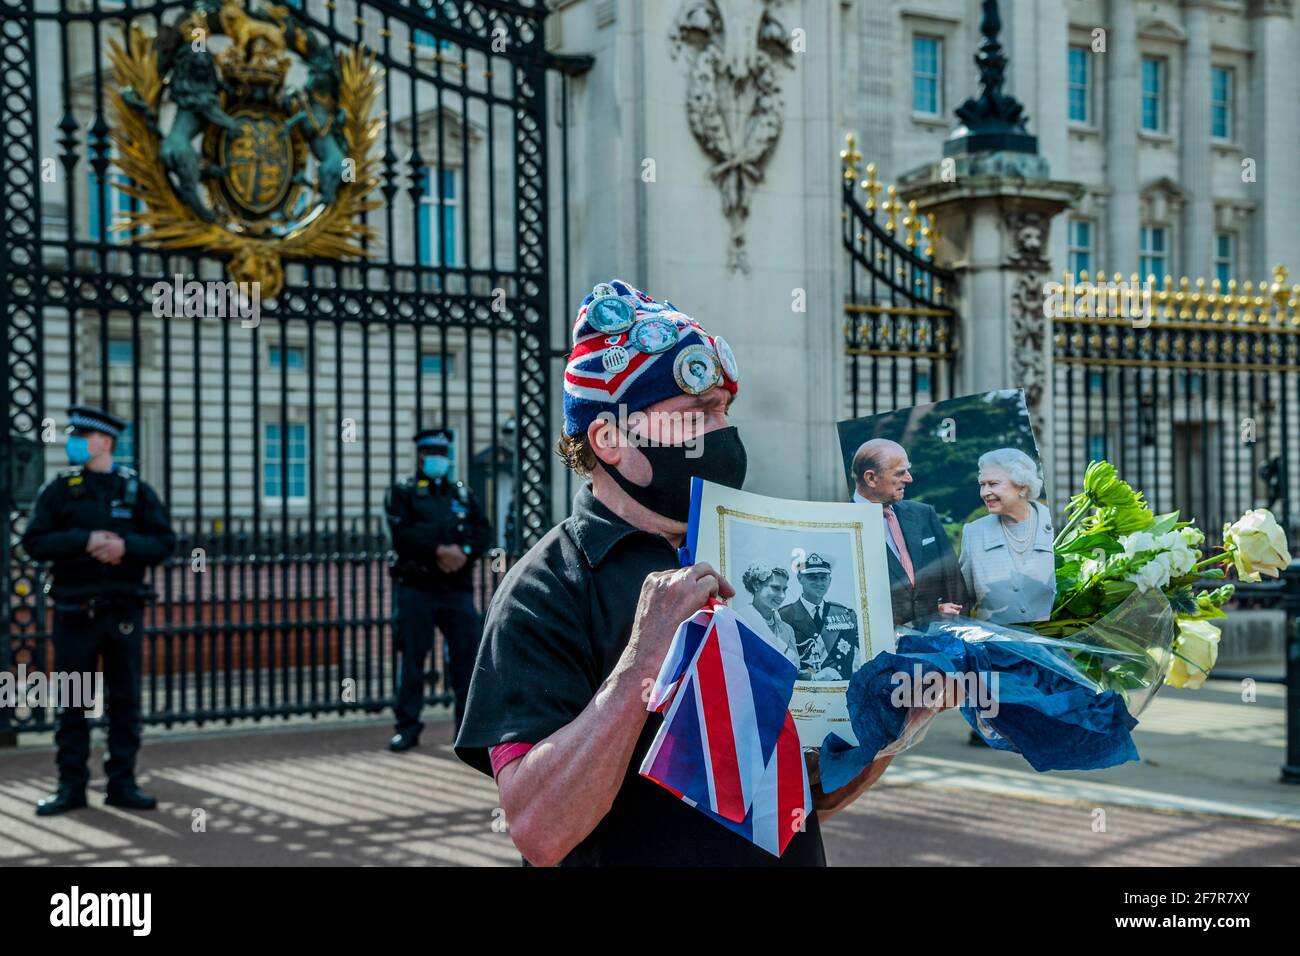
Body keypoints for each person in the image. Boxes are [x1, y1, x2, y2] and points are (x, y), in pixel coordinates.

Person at [454, 279, 896, 867]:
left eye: (723, 410)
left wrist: (891, 727)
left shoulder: (748, 555)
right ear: (610, 438)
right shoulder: (546, 588)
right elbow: (540, 830)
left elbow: (800, 799)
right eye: (696, 413)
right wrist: (643, 658)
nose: (722, 432)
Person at [21, 405, 176, 816]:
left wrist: (126, 548)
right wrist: (84, 539)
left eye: (80, 435)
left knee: (124, 702)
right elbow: (34, 543)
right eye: (71, 434)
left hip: (123, 611)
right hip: (75, 612)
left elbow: (165, 541)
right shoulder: (59, 489)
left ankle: (121, 784)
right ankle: (70, 787)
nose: (72, 441)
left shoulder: (134, 490)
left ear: (104, 441)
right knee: (73, 702)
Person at [384, 428, 492, 750]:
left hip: (456, 589)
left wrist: (465, 553)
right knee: (413, 659)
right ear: (420, 455)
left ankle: (467, 732)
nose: (438, 460)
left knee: (467, 660)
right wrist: (438, 551)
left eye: (443, 454)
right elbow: (402, 535)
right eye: (432, 454)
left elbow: (482, 531)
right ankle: (407, 727)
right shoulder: (403, 492)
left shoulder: (461, 494)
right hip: (416, 587)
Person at [851, 438, 967, 627]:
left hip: (939, 641)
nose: (909, 478)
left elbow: (954, 582)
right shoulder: (841, 527)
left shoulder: (924, 514)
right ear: (870, 478)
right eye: (900, 473)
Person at [958, 447, 1055, 624]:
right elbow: (962, 599)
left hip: (1058, 646)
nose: (985, 492)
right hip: (997, 647)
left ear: (1022, 487)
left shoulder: (1057, 526)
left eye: (993, 484)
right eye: (982, 484)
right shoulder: (974, 533)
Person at [778, 554, 858, 681]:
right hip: (803, 695)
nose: (819, 583)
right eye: (812, 577)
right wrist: (812, 676)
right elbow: (779, 663)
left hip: (842, 692)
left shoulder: (846, 615)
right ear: (800, 578)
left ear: (830, 580)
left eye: (823, 578)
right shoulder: (784, 616)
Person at [735, 563, 799, 665]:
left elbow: (795, 669)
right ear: (756, 586)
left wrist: (814, 677)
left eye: (784, 589)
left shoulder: (787, 630)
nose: (782, 596)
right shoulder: (739, 620)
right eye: (776, 588)